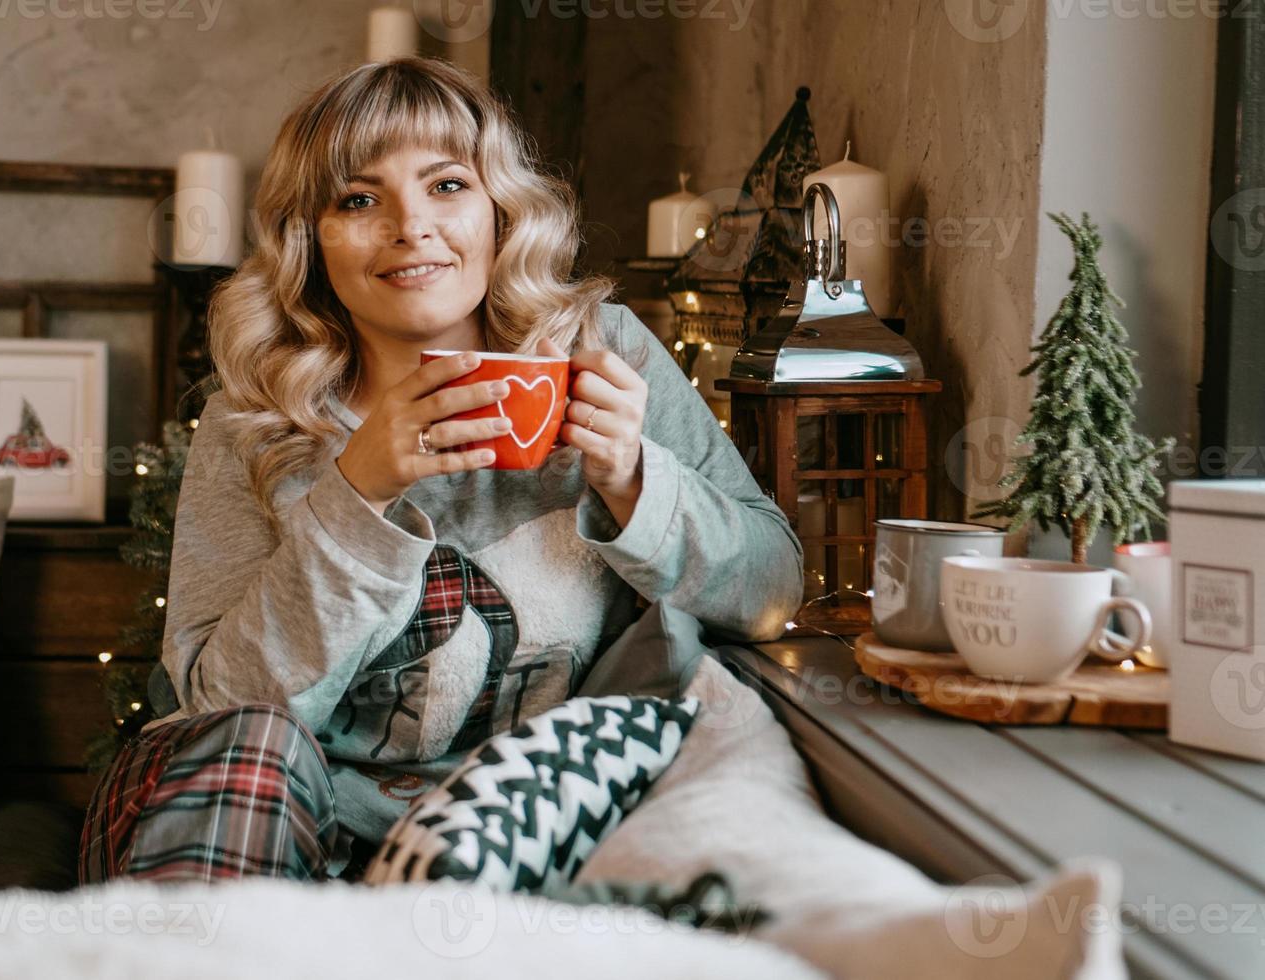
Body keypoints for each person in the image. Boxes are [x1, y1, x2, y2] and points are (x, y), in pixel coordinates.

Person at [77, 61, 1118, 980]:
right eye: (359, 199)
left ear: (497, 212)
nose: (411, 228)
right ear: (312, 238)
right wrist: (357, 489)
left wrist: (633, 479)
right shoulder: (255, 417)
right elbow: (221, 703)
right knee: (244, 747)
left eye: (446, 185)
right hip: (251, 825)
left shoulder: (597, 348)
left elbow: (769, 588)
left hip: (505, 835)